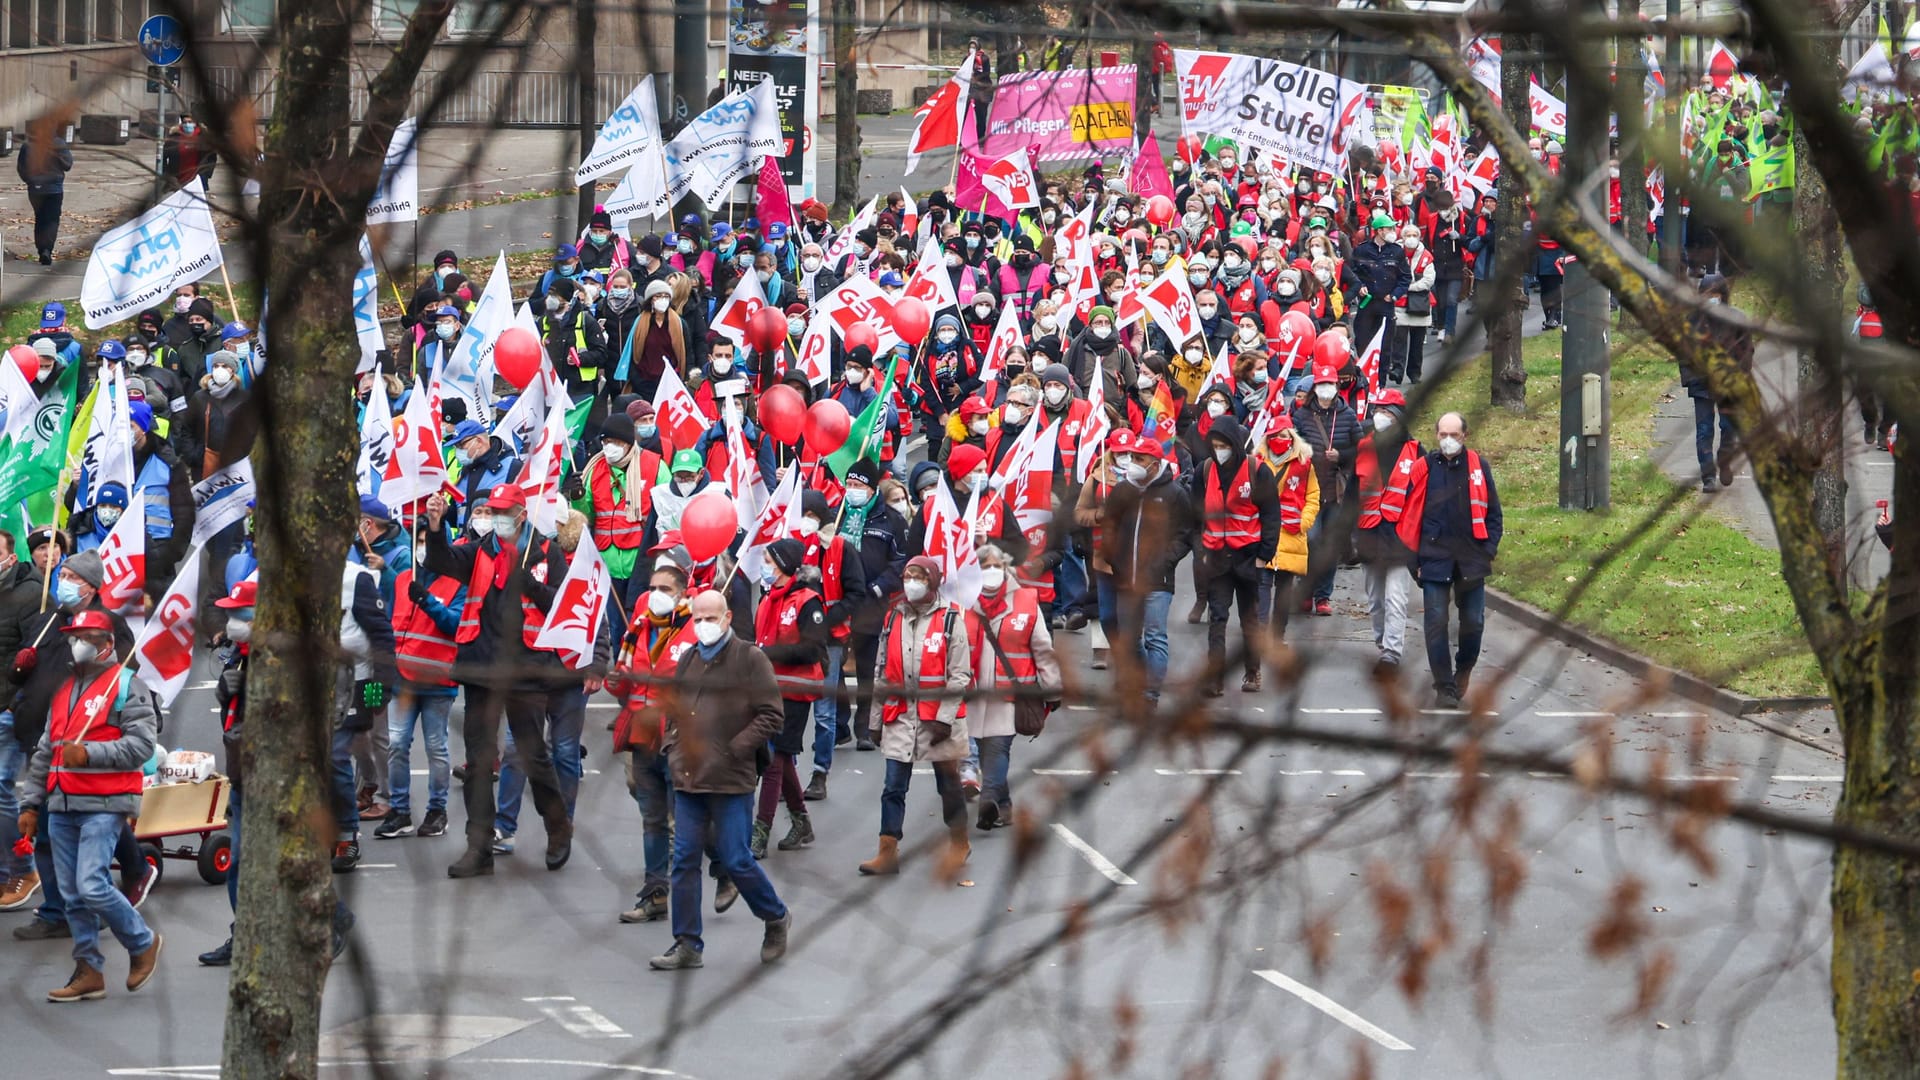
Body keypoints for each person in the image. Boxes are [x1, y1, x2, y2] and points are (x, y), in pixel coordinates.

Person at [420, 485, 577, 878]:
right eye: (492, 511)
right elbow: (439, 561)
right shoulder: (479, 551)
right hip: (482, 669)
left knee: (532, 755)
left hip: (525, 669)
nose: (496, 518)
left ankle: (558, 827)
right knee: (478, 761)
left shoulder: (545, 552)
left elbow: (562, 604)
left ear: (522, 515)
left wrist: (533, 586)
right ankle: (480, 846)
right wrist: (435, 526)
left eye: (503, 512)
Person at [18, 611, 163, 1002]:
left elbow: (142, 747)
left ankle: (142, 941)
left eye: (86, 636)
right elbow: (47, 749)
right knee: (71, 893)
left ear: (107, 643)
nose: (77, 642)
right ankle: (89, 969)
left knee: (92, 885)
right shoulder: (65, 688)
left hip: (105, 801)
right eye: (74, 636)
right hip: (63, 801)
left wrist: (91, 753)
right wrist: (31, 803)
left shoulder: (128, 686)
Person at [648, 590, 793, 971]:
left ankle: (775, 916)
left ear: (727, 618)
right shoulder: (691, 658)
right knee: (684, 862)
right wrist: (672, 747)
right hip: (690, 777)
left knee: (736, 859)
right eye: (697, 618)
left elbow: (771, 715)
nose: (703, 625)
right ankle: (687, 944)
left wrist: (734, 749)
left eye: (711, 618)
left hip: (731, 779)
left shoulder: (750, 658)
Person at [8, 552, 147, 943]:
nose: (62, 581)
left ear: (91, 585)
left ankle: (96, 908)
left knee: (80, 834)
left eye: (70, 576)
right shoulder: (48, 620)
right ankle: (63, 910)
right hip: (45, 739)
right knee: (51, 831)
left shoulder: (110, 625)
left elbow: (122, 678)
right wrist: (19, 668)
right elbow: (21, 675)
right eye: (62, 574)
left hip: (87, 748)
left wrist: (89, 744)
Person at [860, 557, 973, 878]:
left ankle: (959, 841)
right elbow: (882, 672)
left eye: (918, 576)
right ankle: (887, 850)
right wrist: (875, 720)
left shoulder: (951, 619)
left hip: (938, 720)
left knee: (948, 784)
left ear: (932, 581)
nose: (911, 581)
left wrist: (944, 719)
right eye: (907, 575)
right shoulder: (893, 618)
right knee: (893, 786)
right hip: (901, 716)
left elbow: (960, 675)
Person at [1394, 413, 1503, 708]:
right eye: (1443, 434)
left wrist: (1488, 549)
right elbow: (1406, 518)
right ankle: (1444, 686)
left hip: (1471, 560)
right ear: (1436, 435)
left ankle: (1463, 668)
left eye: (1454, 434)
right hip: (1433, 559)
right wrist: (1412, 561)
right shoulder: (1422, 468)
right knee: (1435, 622)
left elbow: (1493, 514)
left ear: (1465, 436)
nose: (1448, 440)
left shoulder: (1478, 466)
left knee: (1474, 623)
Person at [964, 545, 1060, 830]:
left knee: (997, 746)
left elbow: (1043, 649)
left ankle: (989, 801)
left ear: (1005, 568)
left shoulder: (1026, 601)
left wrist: (1054, 689)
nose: (991, 572)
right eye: (984, 567)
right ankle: (1004, 806)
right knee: (984, 749)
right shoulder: (963, 602)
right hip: (975, 694)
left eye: (996, 565)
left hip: (1011, 693)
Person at [376, 534, 464, 841]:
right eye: (419, 540)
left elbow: (456, 625)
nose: (423, 546)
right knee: (397, 744)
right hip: (402, 679)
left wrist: (426, 601)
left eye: (429, 540)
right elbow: (391, 622)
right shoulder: (402, 580)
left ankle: (436, 811)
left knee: (436, 747)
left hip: (438, 682)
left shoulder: (457, 583)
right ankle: (399, 811)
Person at [750, 539, 829, 860]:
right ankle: (801, 822)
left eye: (768, 561)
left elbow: (813, 649)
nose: (764, 567)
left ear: (783, 565)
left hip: (795, 693)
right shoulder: (769, 599)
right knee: (780, 760)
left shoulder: (809, 602)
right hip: (768, 691)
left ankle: (760, 831)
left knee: (772, 761)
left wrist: (769, 654)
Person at [1098, 436, 1192, 702]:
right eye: (1133, 457)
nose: (1133, 463)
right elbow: (1110, 525)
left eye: (1140, 459)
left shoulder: (1174, 494)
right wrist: (1114, 558)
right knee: (1129, 640)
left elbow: (1185, 535)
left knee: (1155, 637)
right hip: (1126, 580)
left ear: (1154, 464)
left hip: (1157, 582)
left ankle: (1150, 695)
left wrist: (1164, 562)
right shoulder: (1122, 491)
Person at [1194, 416, 1279, 695]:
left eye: (1224, 445)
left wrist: (1264, 555)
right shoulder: (1204, 471)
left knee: (1249, 620)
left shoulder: (1258, 472)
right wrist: (1202, 551)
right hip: (1217, 557)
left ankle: (1252, 672)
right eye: (1215, 445)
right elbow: (1195, 515)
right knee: (1217, 617)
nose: (1220, 450)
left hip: (1248, 556)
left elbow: (1270, 515)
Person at [793, 491, 866, 799]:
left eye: (812, 514)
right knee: (791, 709)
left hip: (830, 641)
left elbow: (855, 592)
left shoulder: (841, 549)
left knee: (823, 712)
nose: (807, 520)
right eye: (803, 513)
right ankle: (787, 773)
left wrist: (827, 620)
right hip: (795, 641)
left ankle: (820, 773)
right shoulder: (793, 547)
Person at [1354, 390, 1422, 671]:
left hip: (1399, 541)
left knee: (1395, 598)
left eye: (1386, 411)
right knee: (1375, 601)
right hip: (1369, 538)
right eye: (1377, 409)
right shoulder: (1364, 448)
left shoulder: (1416, 452)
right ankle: (1383, 642)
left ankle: (1392, 652)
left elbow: (1424, 498)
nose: (1379, 415)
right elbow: (1351, 496)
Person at [1291, 361, 1360, 616]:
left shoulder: (1348, 415)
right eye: (1321, 384)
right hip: (1308, 491)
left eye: (1330, 384)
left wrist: (1341, 456)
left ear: (1337, 386)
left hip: (1336, 493)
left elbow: (1360, 449)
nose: (1326, 389)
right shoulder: (1301, 415)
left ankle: (1323, 596)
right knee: (1310, 540)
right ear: (1314, 387)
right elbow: (1291, 445)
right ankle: (1305, 590)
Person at [1682, 273, 1750, 492]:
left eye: (1716, 294)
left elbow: (1747, 351)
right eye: (1707, 294)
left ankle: (1725, 459)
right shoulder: (1691, 322)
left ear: (1723, 295)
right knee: (1704, 430)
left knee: (1728, 427)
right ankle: (1708, 476)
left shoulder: (1736, 319)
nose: (1711, 298)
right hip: (1701, 384)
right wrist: (1692, 378)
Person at [16, 124, 73, 266]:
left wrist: (30, 181)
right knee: (52, 219)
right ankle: (47, 248)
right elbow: (68, 165)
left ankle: (41, 249)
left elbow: (21, 167)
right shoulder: (58, 143)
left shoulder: (28, 146)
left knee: (40, 218)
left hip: (35, 189)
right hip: (54, 188)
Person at [162, 112, 217, 188]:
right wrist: (168, 176)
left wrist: (205, 175)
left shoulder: (203, 138)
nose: (187, 125)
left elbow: (212, 158)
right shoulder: (174, 138)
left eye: (190, 122)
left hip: (198, 181)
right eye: (185, 122)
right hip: (177, 182)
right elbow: (163, 157)